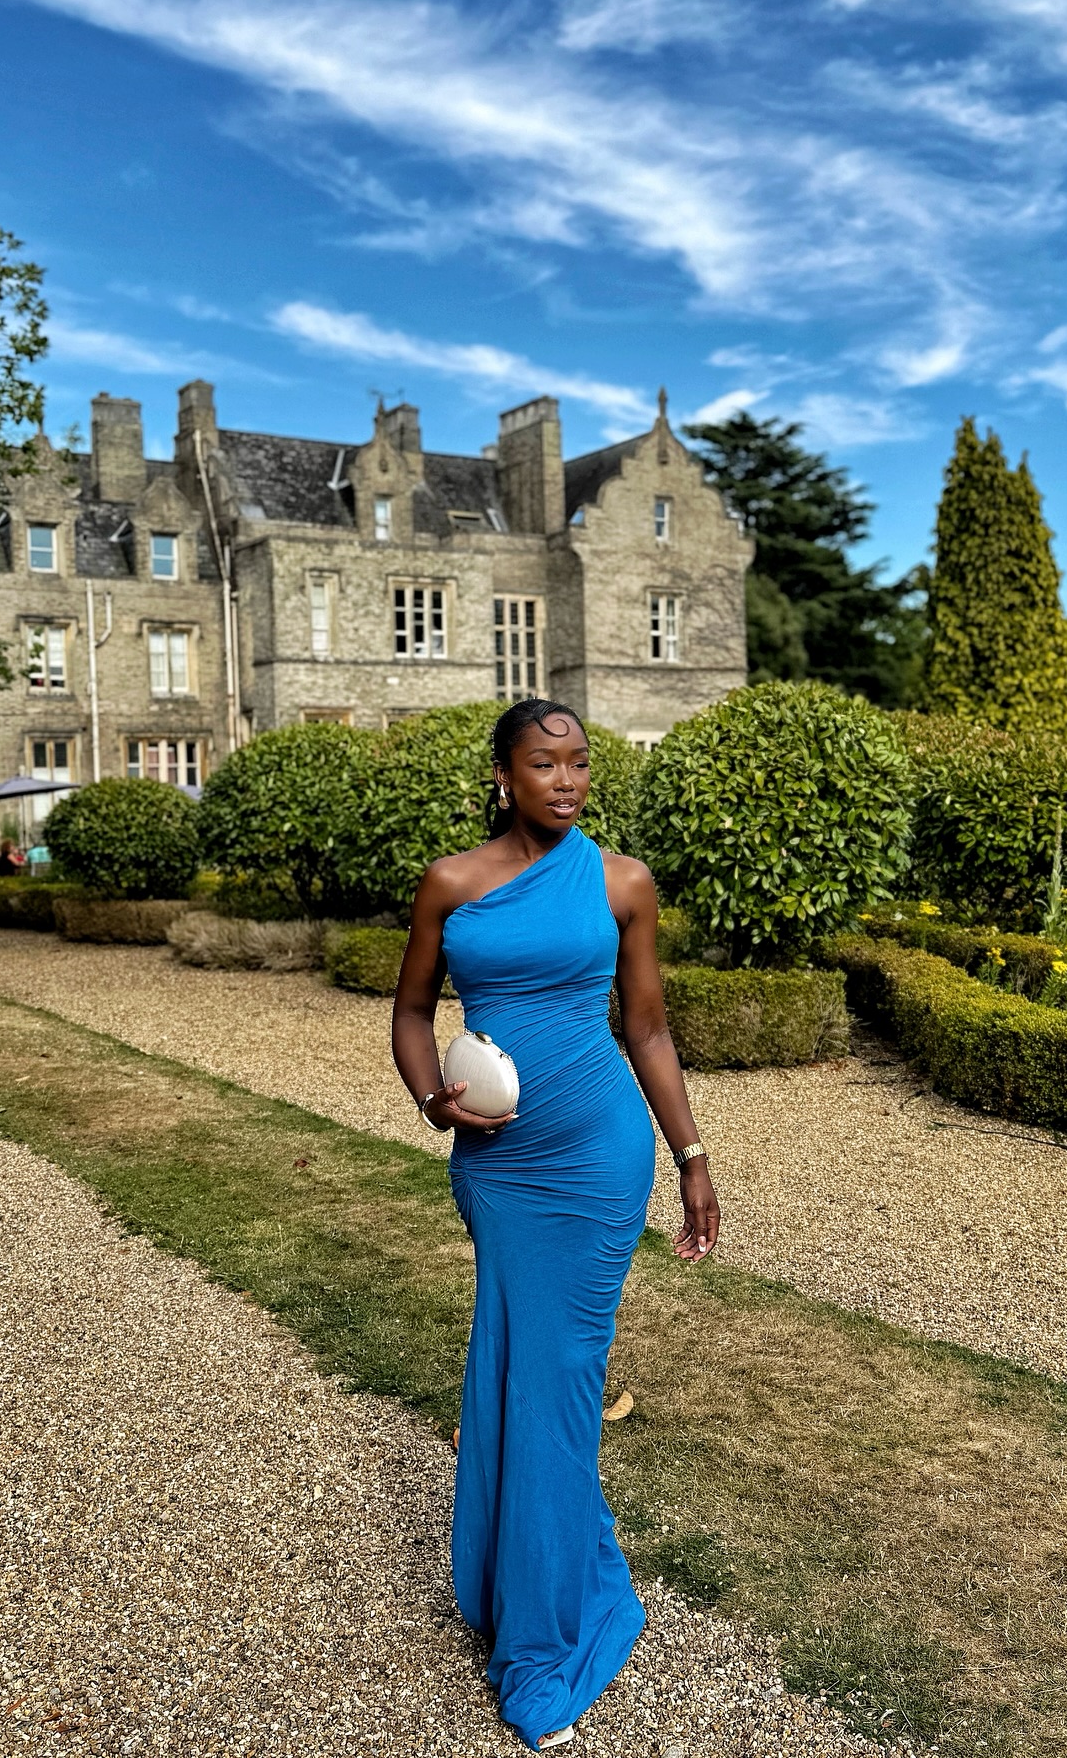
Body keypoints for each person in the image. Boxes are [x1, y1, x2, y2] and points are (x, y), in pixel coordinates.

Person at [392, 698, 721, 1752]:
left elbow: (650, 1025)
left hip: (599, 1159)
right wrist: (431, 1101)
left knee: (563, 1372)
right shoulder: (451, 881)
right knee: (515, 1362)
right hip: (500, 1163)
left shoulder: (623, 880)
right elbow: (409, 1014)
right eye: (545, 762)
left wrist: (693, 1157)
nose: (568, 778)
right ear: (502, 773)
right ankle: (522, 1575)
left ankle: (542, 1622)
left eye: (579, 762)